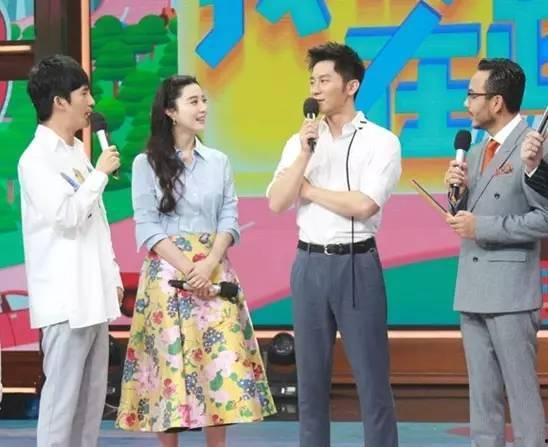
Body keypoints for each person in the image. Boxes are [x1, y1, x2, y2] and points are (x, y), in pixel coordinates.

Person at [116, 75, 276, 447]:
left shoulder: (218, 161)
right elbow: (147, 226)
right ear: (171, 112)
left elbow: (229, 217)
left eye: (204, 100)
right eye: (193, 101)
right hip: (168, 275)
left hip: (214, 272)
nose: (203, 108)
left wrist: (208, 264)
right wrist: (189, 269)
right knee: (169, 369)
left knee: (218, 364)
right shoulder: (145, 164)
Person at [267, 42, 401, 447]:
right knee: (309, 383)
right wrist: (303, 157)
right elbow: (277, 202)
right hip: (308, 264)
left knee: (372, 381)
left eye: (325, 80)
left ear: (351, 86)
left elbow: (364, 204)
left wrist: (309, 191)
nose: (316, 89)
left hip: (356, 264)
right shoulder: (300, 142)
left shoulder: (381, 141)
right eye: (312, 81)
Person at [18, 54, 123, 447]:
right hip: (65, 302)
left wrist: (113, 275)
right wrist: (100, 174)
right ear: (60, 101)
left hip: (94, 298)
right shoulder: (35, 159)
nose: (91, 102)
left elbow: (98, 223)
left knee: (90, 407)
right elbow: (65, 215)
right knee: (60, 407)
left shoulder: (77, 152)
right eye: (84, 93)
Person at [444, 58, 548, 447]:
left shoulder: (534, 146)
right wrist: (455, 194)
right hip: (472, 287)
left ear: (497, 101)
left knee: (521, 395)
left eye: (473, 95)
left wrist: (482, 228)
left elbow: (545, 218)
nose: (466, 103)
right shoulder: (473, 151)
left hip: (510, 292)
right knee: (482, 396)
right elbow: (468, 212)